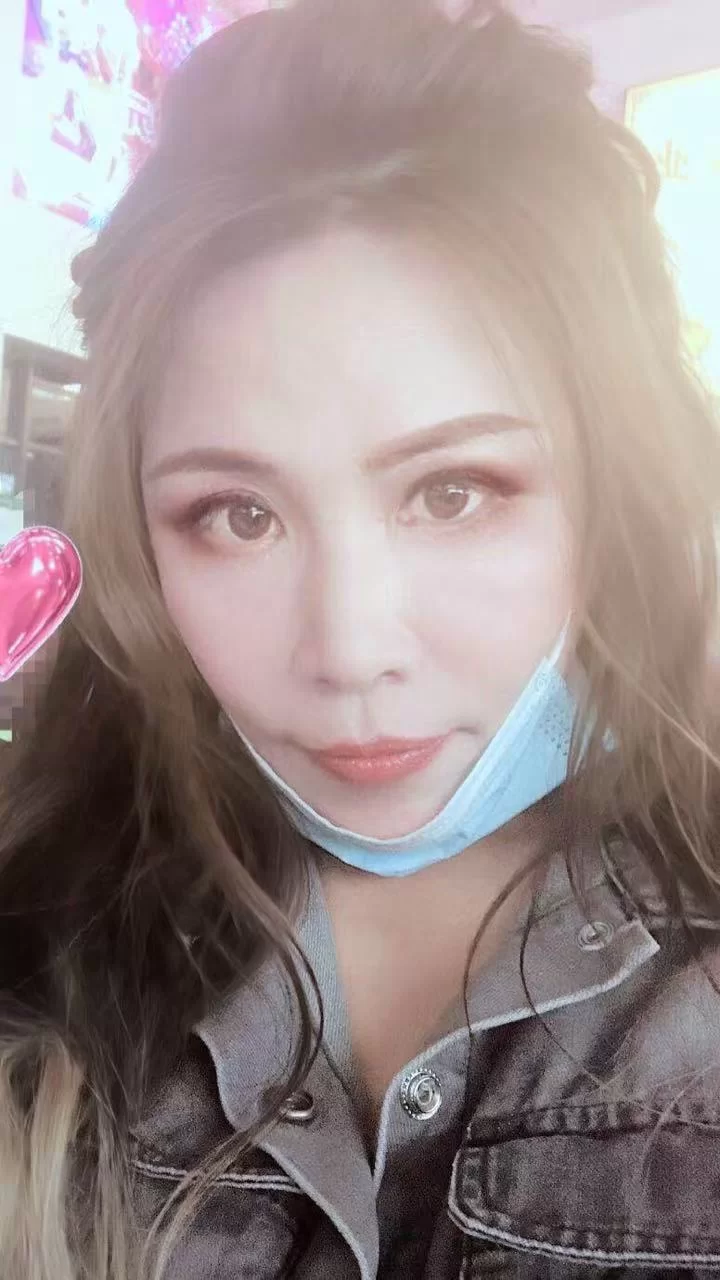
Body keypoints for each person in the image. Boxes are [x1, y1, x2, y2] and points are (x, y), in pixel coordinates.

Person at [2, 1, 720, 1276]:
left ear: (624, 490)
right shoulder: (41, 938)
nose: (347, 647)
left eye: (454, 491)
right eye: (237, 514)